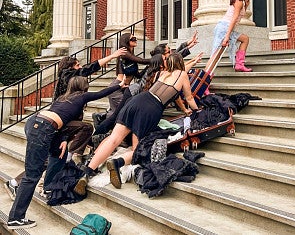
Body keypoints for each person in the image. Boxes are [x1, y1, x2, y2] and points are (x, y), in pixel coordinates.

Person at [6, 76, 128, 230]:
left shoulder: (64, 99)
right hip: (42, 128)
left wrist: (63, 139)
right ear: (83, 87)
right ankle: (16, 218)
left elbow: (64, 122)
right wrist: (120, 85)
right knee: (32, 175)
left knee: (59, 155)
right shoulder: (81, 97)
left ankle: (48, 186)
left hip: (41, 125)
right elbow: (101, 93)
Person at [74, 52, 199, 193]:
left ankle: (87, 172)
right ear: (181, 63)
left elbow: (174, 88)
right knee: (137, 149)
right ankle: (117, 162)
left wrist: (193, 61)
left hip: (136, 101)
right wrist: (196, 110)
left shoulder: (163, 74)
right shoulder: (182, 74)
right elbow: (189, 98)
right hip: (151, 109)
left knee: (114, 139)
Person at [211, 0, 252, 72]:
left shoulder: (241, 1)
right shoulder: (238, 1)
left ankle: (239, 64)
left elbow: (238, 17)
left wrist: (247, 6)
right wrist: (227, 36)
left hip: (226, 27)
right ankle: (205, 79)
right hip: (224, 27)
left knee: (245, 39)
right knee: (216, 55)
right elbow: (233, 19)